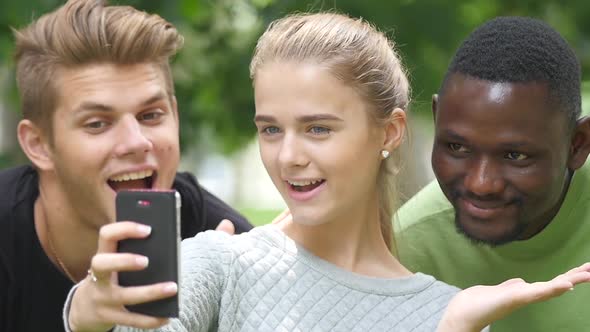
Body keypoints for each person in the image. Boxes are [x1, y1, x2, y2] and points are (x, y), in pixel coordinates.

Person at [63, 12, 590, 332]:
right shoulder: (218, 265)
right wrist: (88, 309)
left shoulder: (450, 309)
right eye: (271, 129)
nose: (288, 156)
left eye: (317, 129)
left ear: (389, 132)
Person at [0, 0, 252, 331]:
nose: (136, 141)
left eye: (150, 115)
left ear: (174, 116)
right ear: (39, 145)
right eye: (97, 123)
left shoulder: (218, 238)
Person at [393, 16, 590, 331]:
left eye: (516, 155)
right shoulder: (406, 252)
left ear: (578, 145)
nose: (481, 184)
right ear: (437, 116)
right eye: (457, 147)